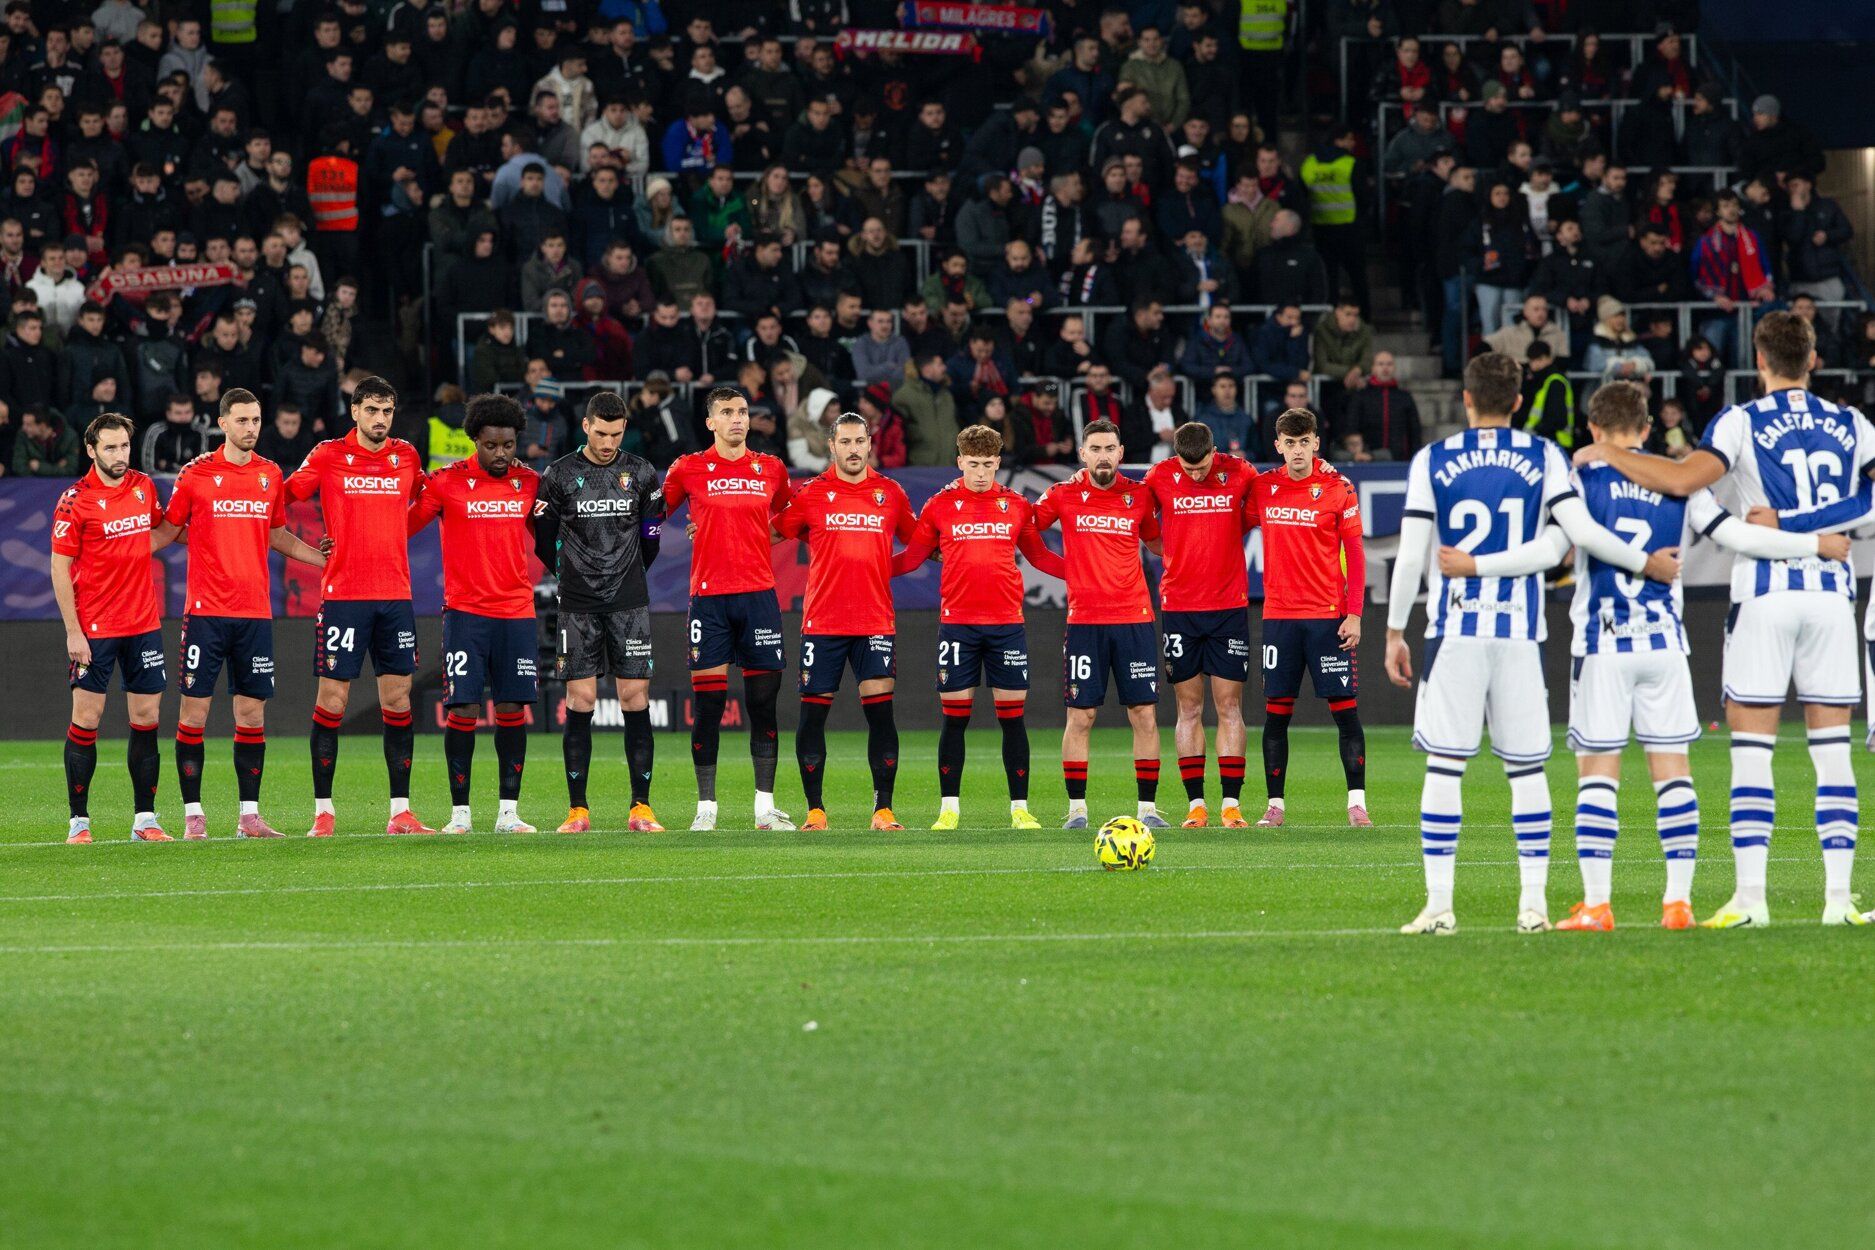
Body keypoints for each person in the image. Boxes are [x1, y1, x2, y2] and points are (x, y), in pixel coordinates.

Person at [1445, 380, 1846, 931]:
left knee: (1598, 775)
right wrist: (1814, 544)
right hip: (1665, 644)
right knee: (1673, 773)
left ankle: (1597, 905)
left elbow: (1560, 546)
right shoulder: (1677, 480)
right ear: (1647, 428)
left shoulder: (1580, 476)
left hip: (1603, 643)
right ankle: (1677, 902)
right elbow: (1736, 536)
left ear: (1592, 428)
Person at [1572, 313, 1875, 929]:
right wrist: (1816, 529)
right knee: (1832, 751)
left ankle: (1750, 899)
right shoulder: (1852, 422)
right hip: (1830, 595)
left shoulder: (1741, 421)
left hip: (1764, 595)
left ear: (1759, 359)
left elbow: (1685, 480)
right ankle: (1839, 900)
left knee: (1752, 752)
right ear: (1813, 359)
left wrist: (1608, 450)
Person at [1385, 352, 1592, 935]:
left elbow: (1409, 555)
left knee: (1444, 768)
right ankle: (1534, 905)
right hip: (1520, 635)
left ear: (1467, 398)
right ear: (1519, 402)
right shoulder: (1545, 455)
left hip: (1454, 633)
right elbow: (1559, 549)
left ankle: (1439, 906)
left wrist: (1396, 629)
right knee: (1526, 773)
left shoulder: (1434, 459)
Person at [150, 390, 326, 841]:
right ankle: (194, 815)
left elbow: (278, 535)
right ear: (222, 423)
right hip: (206, 614)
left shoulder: (270, 474)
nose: (251, 428)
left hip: (254, 615)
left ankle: (249, 816)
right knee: (194, 715)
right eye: (243, 420)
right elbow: (169, 530)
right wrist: (116, 549)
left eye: (256, 420)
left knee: (251, 716)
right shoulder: (196, 474)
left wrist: (322, 559)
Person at [890, 424, 1065, 829]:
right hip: (958, 628)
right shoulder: (940, 505)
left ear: (999, 463)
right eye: (973, 464)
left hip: (1007, 626)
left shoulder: (1017, 505)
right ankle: (949, 810)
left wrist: (1086, 573)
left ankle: (1020, 810)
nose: (982, 473)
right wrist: (867, 570)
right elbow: (913, 557)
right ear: (959, 462)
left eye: (988, 464)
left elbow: (1040, 557)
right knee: (955, 717)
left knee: (1012, 718)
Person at [283, 376, 435, 838]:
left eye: (387, 411)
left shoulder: (406, 455)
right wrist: (315, 546)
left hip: (394, 597)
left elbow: (428, 500)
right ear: (355, 411)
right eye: (372, 410)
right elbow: (284, 494)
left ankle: (401, 812)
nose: (381, 419)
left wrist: (392, 531)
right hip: (344, 596)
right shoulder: (329, 454)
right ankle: (323, 813)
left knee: (398, 700)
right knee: (332, 701)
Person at [773, 413, 918, 831]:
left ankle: (883, 810)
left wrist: (882, 568)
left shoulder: (889, 493)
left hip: (874, 622)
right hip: (824, 623)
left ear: (870, 445)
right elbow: (778, 531)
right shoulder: (813, 493)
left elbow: (919, 541)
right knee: (813, 718)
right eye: (845, 442)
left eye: (860, 441)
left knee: (880, 716)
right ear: (831, 447)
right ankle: (815, 810)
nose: (853, 449)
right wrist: (713, 528)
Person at [660, 387, 795, 831]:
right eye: (727, 413)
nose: (738, 419)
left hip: (760, 598)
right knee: (710, 706)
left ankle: (763, 809)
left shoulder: (771, 469)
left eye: (742, 412)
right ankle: (706, 809)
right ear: (710, 422)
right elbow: (654, 514)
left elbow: (788, 521)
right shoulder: (689, 468)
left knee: (763, 705)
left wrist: (752, 534)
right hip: (709, 600)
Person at [407, 393, 541, 836]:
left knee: (510, 708)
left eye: (508, 445)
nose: (501, 454)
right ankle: (460, 812)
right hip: (465, 613)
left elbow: (563, 531)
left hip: (517, 612)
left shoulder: (530, 483)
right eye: (492, 445)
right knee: (463, 709)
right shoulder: (445, 482)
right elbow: (404, 526)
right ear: (475, 442)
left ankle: (508, 812)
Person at [533, 392, 665, 834]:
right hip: (578, 605)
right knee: (581, 700)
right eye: (601, 432)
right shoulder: (559, 475)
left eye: (617, 433)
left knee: (634, 698)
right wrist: (573, 576)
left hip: (629, 602)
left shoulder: (642, 473)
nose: (608, 442)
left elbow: (651, 539)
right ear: (586, 425)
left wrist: (626, 577)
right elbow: (541, 537)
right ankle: (577, 810)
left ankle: (641, 807)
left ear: (624, 429)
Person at [1033, 418, 1165, 830]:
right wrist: (1066, 569)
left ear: (1121, 453)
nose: (1104, 456)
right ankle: (1076, 810)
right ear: (1082, 454)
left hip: (1135, 620)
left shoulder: (1139, 495)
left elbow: (1158, 543)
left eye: (1110, 449)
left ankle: (1148, 810)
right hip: (1086, 622)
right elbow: (1024, 531)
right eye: (1096, 449)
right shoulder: (1063, 494)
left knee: (1143, 714)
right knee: (1081, 716)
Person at [1245, 408, 1368, 827]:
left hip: (1327, 619)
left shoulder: (1339, 488)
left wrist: (1354, 615)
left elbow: (1356, 554)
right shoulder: (1263, 487)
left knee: (1345, 713)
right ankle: (1275, 806)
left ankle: (1357, 805)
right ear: (1278, 446)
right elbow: (1227, 515)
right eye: (1289, 443)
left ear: (1316, 443)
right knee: (1276, 715)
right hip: (1279, 619)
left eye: (1304, 442)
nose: (1297, 450)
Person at [50, 413, 167, 843]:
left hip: (144, 624)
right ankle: (78, 823)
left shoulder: (143, 486)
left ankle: (146, 821)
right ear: (91, 450)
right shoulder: (74, 500)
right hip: (95, 629)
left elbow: (158, 530)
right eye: (111, 448)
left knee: (147, 718)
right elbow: (59, 569)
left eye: (125, 447)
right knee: (87, 718)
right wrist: (72, 632)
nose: (120, 455)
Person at [1140, 422, 1258, 828]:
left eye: (1203, 466)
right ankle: (1195, 806)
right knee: (1189, 708)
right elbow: (1139, 519)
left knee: (1229, 706)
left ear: (1214, 451)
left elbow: (1266, 505)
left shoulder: (1241, 472)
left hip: (1228, 608)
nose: (1196, 475)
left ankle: (1230, 805)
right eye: (1188, 470)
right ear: (1177, 457)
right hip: (1180, 608)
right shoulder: (1159, 475)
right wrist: (1171, 546)